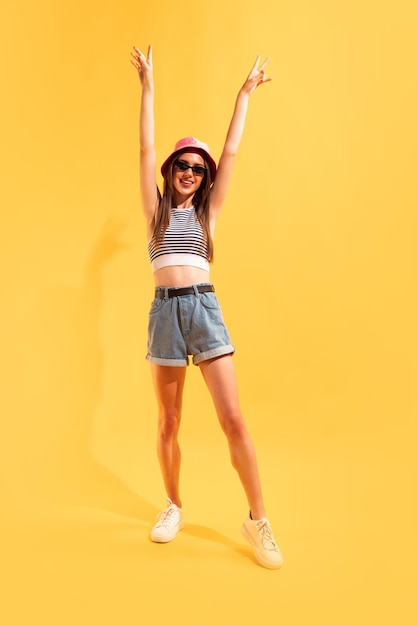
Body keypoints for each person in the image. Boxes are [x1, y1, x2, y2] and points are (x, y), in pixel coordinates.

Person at [131, 44, 283, 570]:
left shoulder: (207, 217)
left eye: (198, 167)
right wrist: (149, 84)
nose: (190, 172)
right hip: (164, 315)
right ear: (172, 170)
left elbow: (232, 152)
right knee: (168, 422)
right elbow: (146, 149)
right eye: (183, 165)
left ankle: (257, 519)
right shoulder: (154, 212)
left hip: (203, 309)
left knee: (233, 419)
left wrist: (245, 94)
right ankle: (172, 504)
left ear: (204, 175)